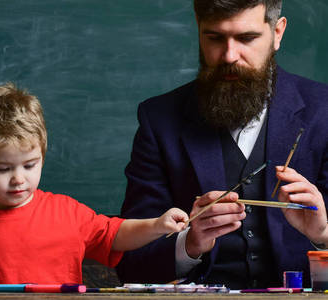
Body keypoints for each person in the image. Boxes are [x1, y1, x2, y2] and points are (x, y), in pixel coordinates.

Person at [116, 0, 328, 290]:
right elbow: (131, 260)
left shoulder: (324, 111)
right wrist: (189, 243)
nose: (229, 56)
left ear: (277, 33)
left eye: (246, 38)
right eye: (214, 38)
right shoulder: (159, 120)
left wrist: (324, 234)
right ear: (199, 31)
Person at [0, 83, 189, 289]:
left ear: (42, 154)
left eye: (30, 165)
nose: (19, 178)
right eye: (2, 169)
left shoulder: (67, 212)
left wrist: (156, 225)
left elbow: (115, 234)